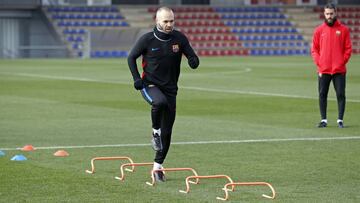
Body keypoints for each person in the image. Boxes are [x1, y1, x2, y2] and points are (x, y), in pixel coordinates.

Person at [127, 7, 199, 181]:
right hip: (149, 85)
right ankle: (155, 132)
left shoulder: (179, 38)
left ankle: (157, 167)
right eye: (165, 21)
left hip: (171, 90)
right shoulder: (147, 40)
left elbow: (191, 55)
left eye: (171, 21)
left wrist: (193, 60)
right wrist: (137, 79)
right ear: (157, 21)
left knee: (168, 132)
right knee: (159, 103)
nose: (169, 24)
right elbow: (131, 57)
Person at [311, 3, 352, 128]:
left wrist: (341, 62)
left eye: (331, 13)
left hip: (339, 70)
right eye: (327, 13)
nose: (329, 16)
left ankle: (340, 120)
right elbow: (314, 50)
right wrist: (320, 63)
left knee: (340, 94)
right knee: (322, 94)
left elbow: (348, 49)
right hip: (323, 70)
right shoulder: (319, 30)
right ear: (324, 14)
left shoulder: (344, 30)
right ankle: (324, 120)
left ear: (336, 13)